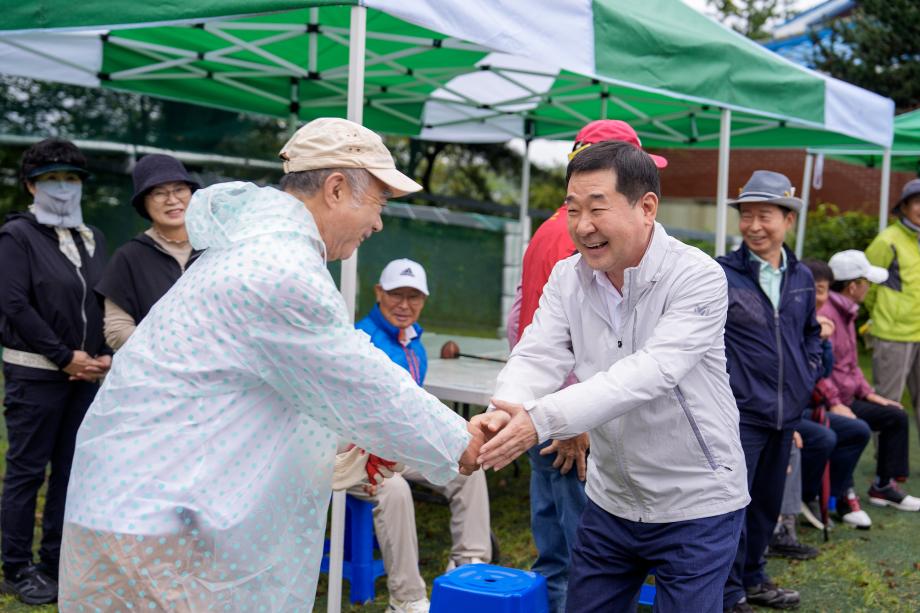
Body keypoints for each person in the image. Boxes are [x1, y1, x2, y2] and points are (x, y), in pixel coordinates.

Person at [56, 118, 485, 611]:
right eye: (380, 203)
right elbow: (361, 381)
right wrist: (461, 441)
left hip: (152, 499)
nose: (379, 223)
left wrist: (346, 442)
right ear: (336, 189)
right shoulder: (280, 269)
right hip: (156, 514)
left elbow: (271, 387)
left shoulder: (255, 249)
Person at [477, 140, 750, 613]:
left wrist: (541, 420)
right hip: (611, 499)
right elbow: (538, 354)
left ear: (647, 207)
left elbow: (651, 372)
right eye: (572, 209)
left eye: (597, 208)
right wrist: (504, 411)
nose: (583, 226)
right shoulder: (568, 277)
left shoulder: (696, 276)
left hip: (696, 501)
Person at [506, 119, 668, 613]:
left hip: (544, 408)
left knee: (554, 551)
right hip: (570, 419)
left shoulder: (547, 230)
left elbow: (518, 319)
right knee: (588, 561)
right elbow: (573, 339)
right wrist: (573, 422)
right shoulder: (583, 238)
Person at [0, 138, 111, 605]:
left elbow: (101, 299)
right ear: (31, 185)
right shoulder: (17, 236)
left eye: (70, 178)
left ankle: (55, 560)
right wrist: (64, 356)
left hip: (85, 376)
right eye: (50, 179)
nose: (62, 188)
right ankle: (15, 567)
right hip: (36, 374)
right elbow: (13, 304)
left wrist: (101, 354)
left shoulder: (92, 236)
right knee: (27, 471)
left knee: (71, 470)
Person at [348, 258, 491, 613]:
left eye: (413, 296)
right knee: (394, 489)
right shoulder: (361, 341)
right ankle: (406, 599)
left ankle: (470, 567)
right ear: (378, 293)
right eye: (396, 294)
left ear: (424, 300)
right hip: (355, 453)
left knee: (468, 470)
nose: (404, 304)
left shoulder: (414, 343)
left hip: (399, 449)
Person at [718, 171, 823, 612]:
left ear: (788, 219)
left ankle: (754, 577)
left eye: (765, 215)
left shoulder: (802, 276)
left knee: (766, 503)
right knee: (730, 506)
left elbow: (811, 333)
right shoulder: (722, 274)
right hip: (740, 413)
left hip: (786, 413)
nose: (754, 226)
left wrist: (808, 373)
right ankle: (728, 592)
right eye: (746, 215)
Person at [822, 250, 920, 511]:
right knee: (856, 429)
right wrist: (834, 403)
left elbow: (852, 366)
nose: (869, 287)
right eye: (866, 282)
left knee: (895, 415)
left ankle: (883, 486)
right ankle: (843, 494)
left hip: (845, 398)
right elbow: (821, 369)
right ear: (853, 286)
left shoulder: (847, 312)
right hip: (831, 401)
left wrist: (869, 394)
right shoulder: (827, 314)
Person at [96, 154, 202, 350]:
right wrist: (173, 344)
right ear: (143, 203)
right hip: (157, 367)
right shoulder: (129, 257)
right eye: (159, 193)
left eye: (179, 189)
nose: (172, 200)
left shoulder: (216, 248)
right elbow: (116, 331)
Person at [798, 258, 872, 530]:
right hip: (786, 409)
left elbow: (825, 369)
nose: (820, 297)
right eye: (816, 290)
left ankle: (833, 495)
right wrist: (834, 401)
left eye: (823, 290)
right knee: (824, 436)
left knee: (858, 430)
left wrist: (822, 342)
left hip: (813, 404)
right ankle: (808, 496)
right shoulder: (790, 320)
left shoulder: (829, 318)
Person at [864, 178, 920, 442]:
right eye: (917, 202)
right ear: (904, 207)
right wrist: (883, 315)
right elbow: (867, 286)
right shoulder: (887, 240)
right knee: (888, 404)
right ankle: (885, 465)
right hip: (893, 334)